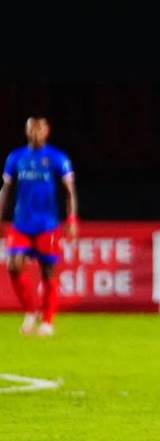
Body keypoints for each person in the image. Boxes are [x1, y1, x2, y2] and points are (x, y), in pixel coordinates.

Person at [0, 117, 78, 336]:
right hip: (21, 223)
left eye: (39, 128)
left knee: (48, 272)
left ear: (47, 131)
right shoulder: (16, 157)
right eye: (31, 128)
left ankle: (47, 321)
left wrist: (71, 219)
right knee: (13, 267)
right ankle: (31, 311)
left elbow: (69, 191)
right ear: (26, 131)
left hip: (47, 225)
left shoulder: (57, 158)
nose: (35, 132)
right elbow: (5, 189)